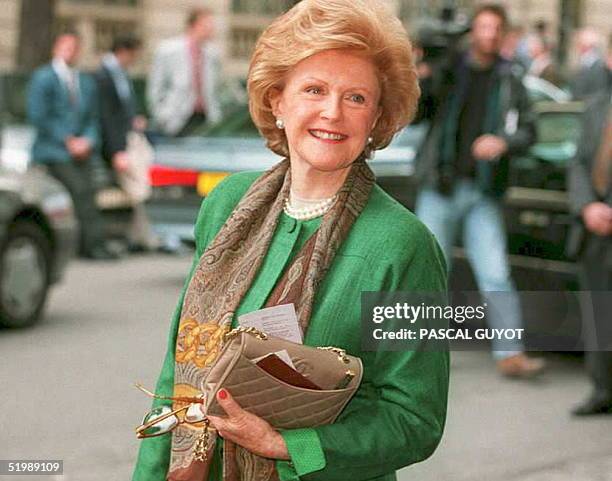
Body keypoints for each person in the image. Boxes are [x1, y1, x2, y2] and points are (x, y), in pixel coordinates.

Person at [132, 1, 449, 480]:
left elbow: (415, 420)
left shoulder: (406, 245)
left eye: (356, 98)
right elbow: (179, 369)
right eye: (314, 89)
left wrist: (284, 444)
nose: (332, 112)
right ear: (278, 101)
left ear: (377, 118)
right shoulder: (226, 204)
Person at [414, 4, 544, 377]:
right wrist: (423, 72)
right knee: (429, 272)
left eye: (495, 28)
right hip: (440, 187)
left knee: (496, 273)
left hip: (482, 192)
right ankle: (419, 356)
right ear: (473, 31)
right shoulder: (450, 70)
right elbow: (417, 113)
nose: (488, 34)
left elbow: (530, 131)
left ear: (502, 34)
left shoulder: (510, 78)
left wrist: (503, 142)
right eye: (483, 27)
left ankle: (510, 354)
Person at [27, 32, 117, 260]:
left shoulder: (85, 81)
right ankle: (92, 245)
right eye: (65, 46)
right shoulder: (43, 78)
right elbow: (39, 116)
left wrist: (87, 140)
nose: (70, 51)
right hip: (54, 151)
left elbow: (93, 119)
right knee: (80, 191)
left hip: (81, 151)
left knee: (89, 192)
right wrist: (68, 141)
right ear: (56, 48)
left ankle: (92, 244)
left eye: (74, 47)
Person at [567, 92, 612, 416]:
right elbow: (579, 162)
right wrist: (586, 206)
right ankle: (602, 389)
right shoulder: (596, 106)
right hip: (594, 228)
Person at [95, 35, 158, 252]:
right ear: (123, 51)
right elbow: (106, 117)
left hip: (129, 139)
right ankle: (142, 235)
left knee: (142, 186)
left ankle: (140, 234)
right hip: (117, 147)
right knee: (139, 188)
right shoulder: (103, 76)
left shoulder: (120, 74)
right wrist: (116, 151)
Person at [147, 7, 222, 136]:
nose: (211, 29)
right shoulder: (167, 50)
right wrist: (162, 115)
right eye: (207, 25)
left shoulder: (212, 54)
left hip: (205, 118)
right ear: (193, 25)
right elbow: (156, 88)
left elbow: (215, 88)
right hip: (175, 120)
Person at [570, 28, 610, 101]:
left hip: (589, 108)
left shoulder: (599, 66)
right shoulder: (585, 62)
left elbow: (599, 94)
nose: (576, 46)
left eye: (578, 42)